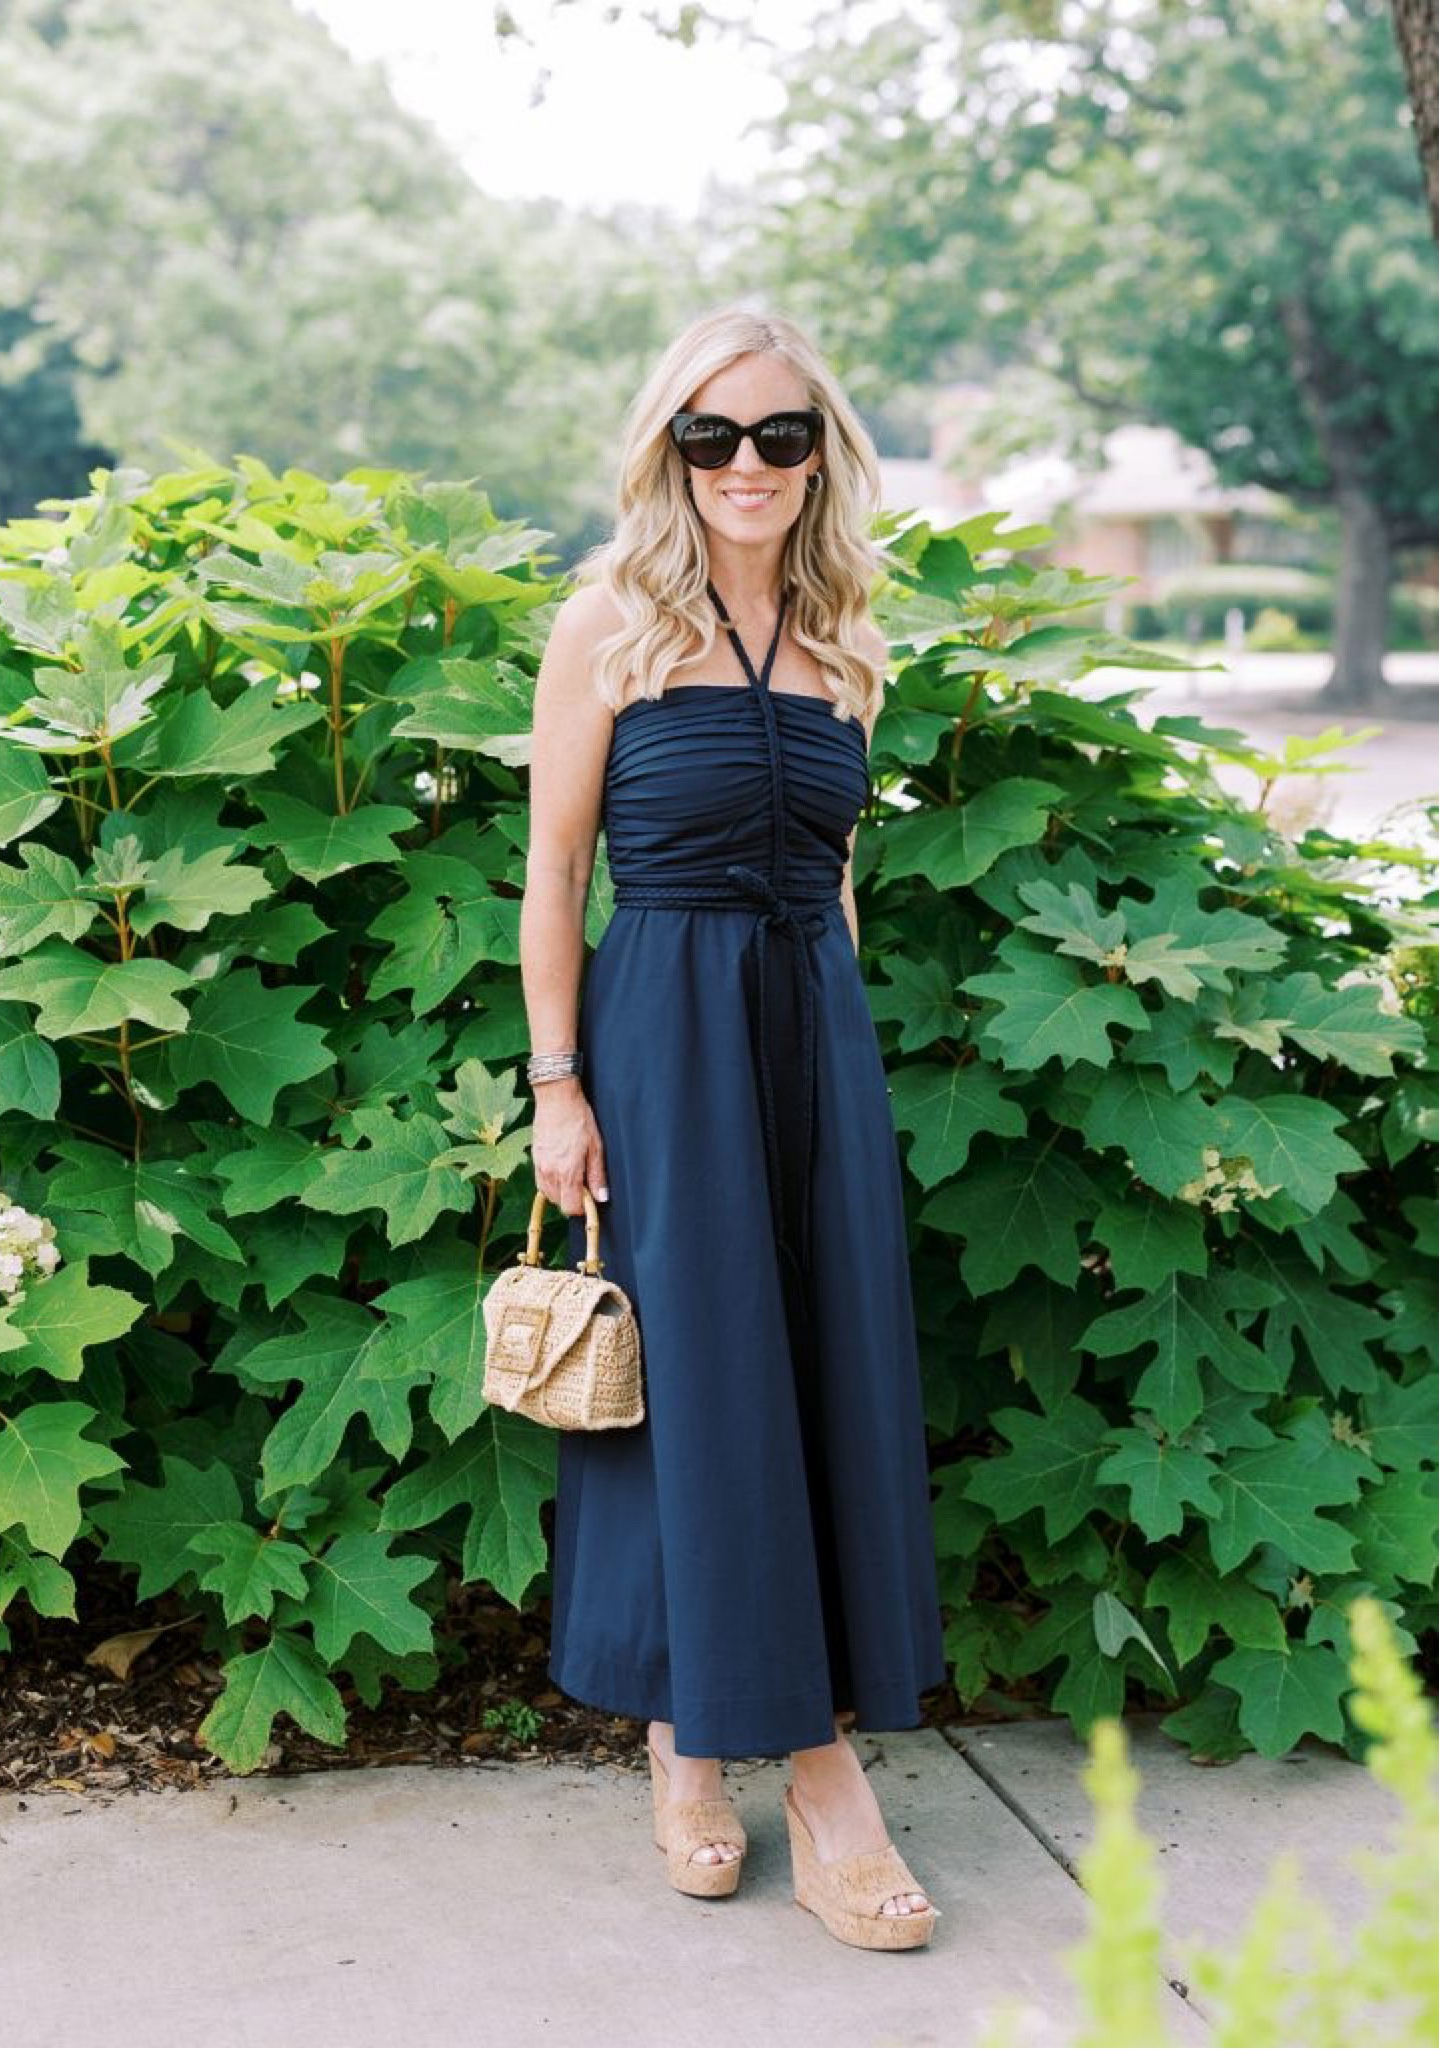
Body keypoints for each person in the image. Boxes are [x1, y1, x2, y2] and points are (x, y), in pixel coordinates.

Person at [519, 305, 946, 1950]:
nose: (747, 466)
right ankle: (800, 1772)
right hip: (661, 1040)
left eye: (780, 436)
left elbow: (834, 874)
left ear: (822, 452)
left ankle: (711, 1736)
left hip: (809, 1039)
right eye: (711, 437)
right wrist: (559, 1086)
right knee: (688, 1387)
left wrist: (837, 1050)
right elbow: (558, 874)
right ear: (666, 454)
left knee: (822, 1373)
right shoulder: (608, 624)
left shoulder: (848, 642)